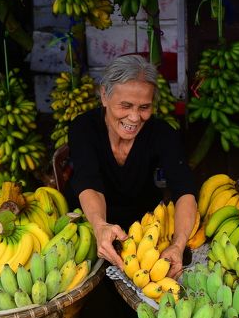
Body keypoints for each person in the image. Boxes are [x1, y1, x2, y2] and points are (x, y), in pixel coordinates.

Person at [67, 55, 198, 278]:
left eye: (144, 107)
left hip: (143, 234)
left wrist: (177, 245)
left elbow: (185, 190)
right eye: (125, 106)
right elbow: (88, 181)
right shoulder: (83, 128)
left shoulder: (163, 134)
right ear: (104, 96)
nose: (135, 117)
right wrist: (100, 226)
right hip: (90, 226)